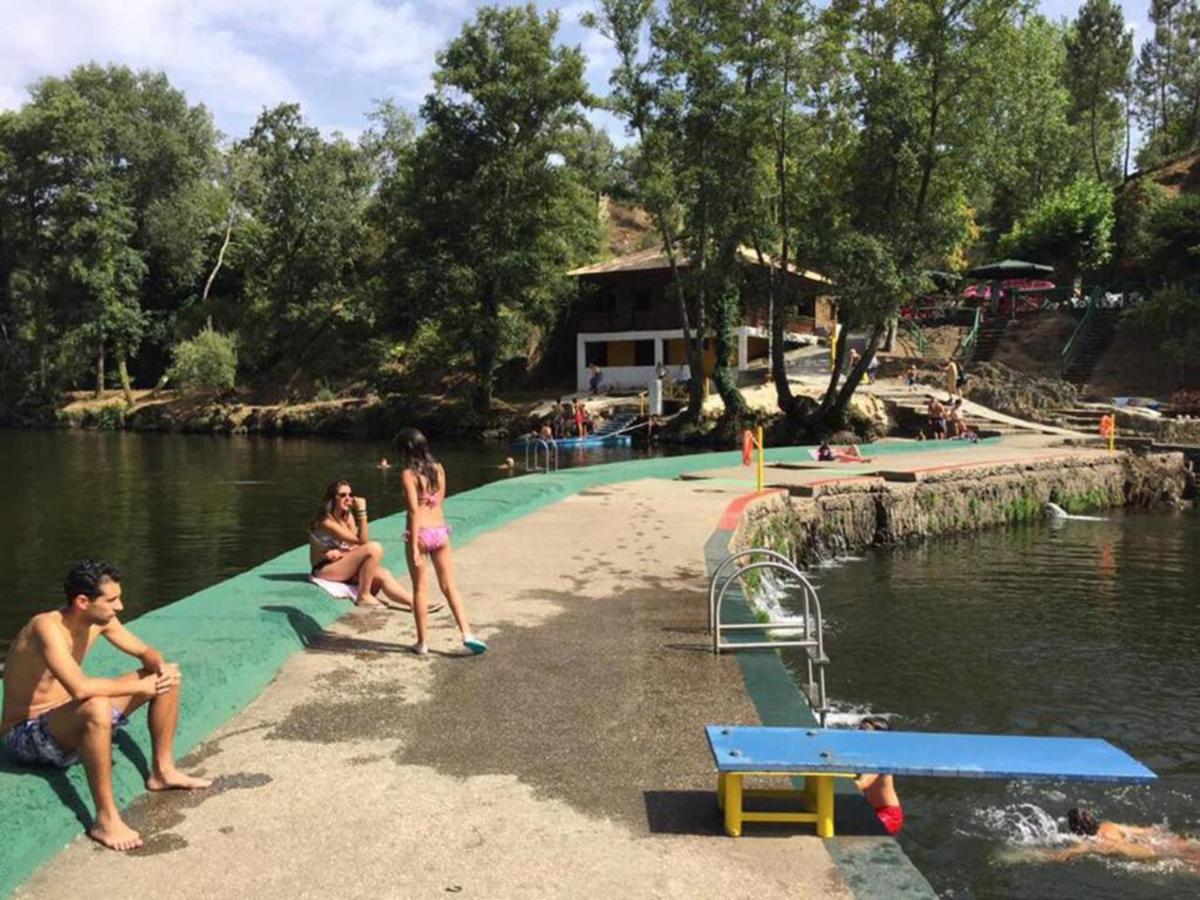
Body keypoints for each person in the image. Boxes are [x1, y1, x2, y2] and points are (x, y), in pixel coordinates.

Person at [1, 560, 212, 850]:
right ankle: (105, 819)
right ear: (82, 601)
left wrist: (156, 663)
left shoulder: (100, 620)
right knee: (97, 705)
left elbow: (143, 650)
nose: (120, 606)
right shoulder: (46, 627)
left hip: (67, 719)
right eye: (112, 600)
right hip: (25, 735)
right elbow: (80, 687)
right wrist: (139, 686)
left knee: (167, 676)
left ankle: (163, 771)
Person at [395, 427, 487, 657]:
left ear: (405, 451)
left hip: (421, 533)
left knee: (420, 589)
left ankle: (422, 643)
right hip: (440, 532)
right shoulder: (439, 469)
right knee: (449, 586)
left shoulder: (408, 474)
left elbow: (414, 511)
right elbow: (439, 502)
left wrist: (415, 545)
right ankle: (467, 633)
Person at [308, 480, 415, 610]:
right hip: (324, 569)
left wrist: (342, 552)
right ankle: (363, 596)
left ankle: (415, 603)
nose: (348, 498)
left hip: (341, 563)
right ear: (333, 498)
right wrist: (362, 511)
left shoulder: (347, 517)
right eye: (343, 495)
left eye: (350, 494)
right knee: (374, 548)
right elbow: (362, 542)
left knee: (384, 574)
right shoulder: (326, 522)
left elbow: (357, 545)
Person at [1037, 808, 1200, 867]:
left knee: (1191, 864)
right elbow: (1148, 832)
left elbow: (1079, 849)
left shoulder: (1089, 841)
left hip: (1149, 853)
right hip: (1161, 843)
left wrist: (1066, 853)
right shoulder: (1109, 826)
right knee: (1190, 847)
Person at [855, 716, 902, 835]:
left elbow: (862, 784)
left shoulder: (877, 759)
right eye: (859, 729)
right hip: (873, 810)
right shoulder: (866, 755)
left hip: (889, 816)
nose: (858, 733)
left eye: (864, 731)